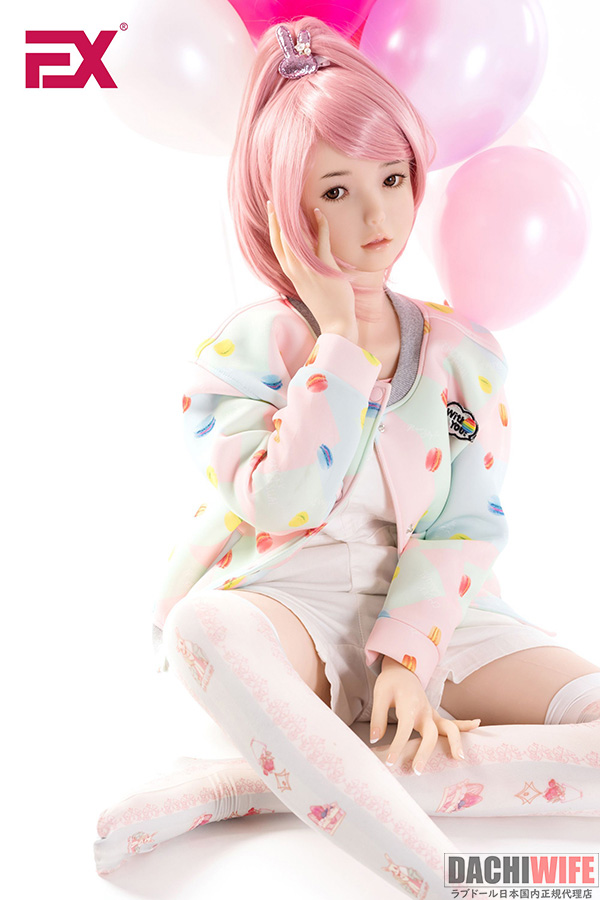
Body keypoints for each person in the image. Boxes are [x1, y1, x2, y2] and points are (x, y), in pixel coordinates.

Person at [94, 17, 600, 894]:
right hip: (289, 607)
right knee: (201, 630)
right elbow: (284, 503)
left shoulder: (466, 355)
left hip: (444, 614)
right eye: (336, 190)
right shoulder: (245, 352)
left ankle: (257, 783)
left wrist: (408, 655)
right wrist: (336, 344)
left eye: (393, 178)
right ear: (282, 207)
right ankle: (446, 878)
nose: (377, 217)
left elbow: (467, 523)